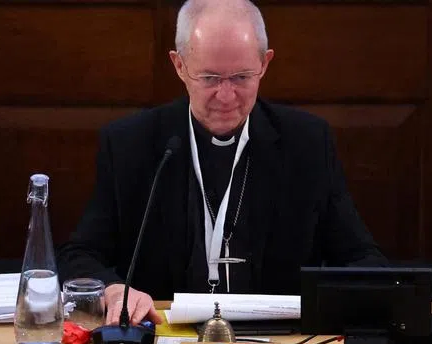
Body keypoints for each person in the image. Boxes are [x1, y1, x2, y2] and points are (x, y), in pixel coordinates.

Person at [59, 0, 386, 325]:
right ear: (180, 66)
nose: (227, 96)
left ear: (265, 64)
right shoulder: (132, 144)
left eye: (242, 77)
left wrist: (343, 301)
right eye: (211, 79)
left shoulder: (307, 142)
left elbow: (361, 258)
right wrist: (115, 291)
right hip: (165, 342)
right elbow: (80, 256)